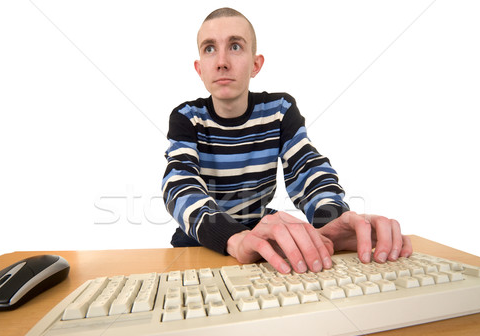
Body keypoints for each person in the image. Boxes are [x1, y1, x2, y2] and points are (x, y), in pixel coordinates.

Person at [161, 7, 412, 274]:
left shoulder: (279, 110)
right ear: (200, 69)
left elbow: (307, 168)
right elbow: (180, 184)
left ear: (256, 64)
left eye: (235, 46)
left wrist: (332, 220)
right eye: (210, 48)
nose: (221, 61)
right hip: (199, 241)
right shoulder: (186, 117)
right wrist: (235, 239)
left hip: (265, 237)